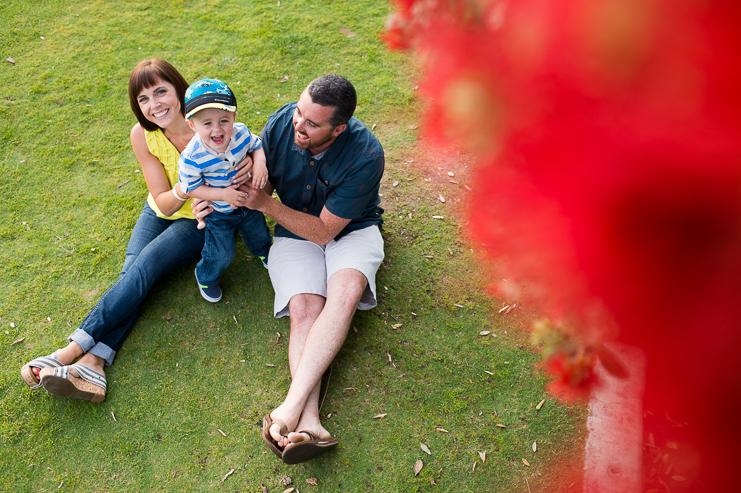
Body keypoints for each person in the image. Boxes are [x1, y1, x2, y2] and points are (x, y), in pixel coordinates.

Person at [19, 59, 253, 402]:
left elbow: (250, 162)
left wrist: (245, 166)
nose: (154, 104)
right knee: (132, 273)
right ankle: (94, 364)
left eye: (161, 92)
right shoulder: (142, 134)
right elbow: (163, 199)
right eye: (143, 99)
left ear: (180, 91)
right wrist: (186, 189)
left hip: (202, 219)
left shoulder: (213, 125)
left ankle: (70, 351)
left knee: (147, 265)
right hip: (162, 208)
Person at [195, 74, 384, 464]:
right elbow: (242, 166)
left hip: (350, 228)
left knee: (344, 294)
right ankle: (310, 420)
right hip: (292, 228)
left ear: (339, 128)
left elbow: (324, 231)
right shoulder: (283, 123)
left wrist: (265, 205)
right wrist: (209, 200)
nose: (299, 124)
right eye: (300, 112)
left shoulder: (366, 154)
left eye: (313, 123)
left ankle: (286, 411)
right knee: (303, 311)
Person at [178, 78, 272, 303]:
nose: (217, 129)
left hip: (248, 200)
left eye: (224, 120)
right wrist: (222, 195)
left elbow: (257, 146)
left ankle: (264, 251)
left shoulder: (240, 133)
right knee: (222, 252)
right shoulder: (191, 157)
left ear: (234, 117)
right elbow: (192, 188)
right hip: (219, 212)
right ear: (192, 124)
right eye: (207, 123)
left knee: (258, 230)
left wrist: (259, 163)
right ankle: (206, 276)